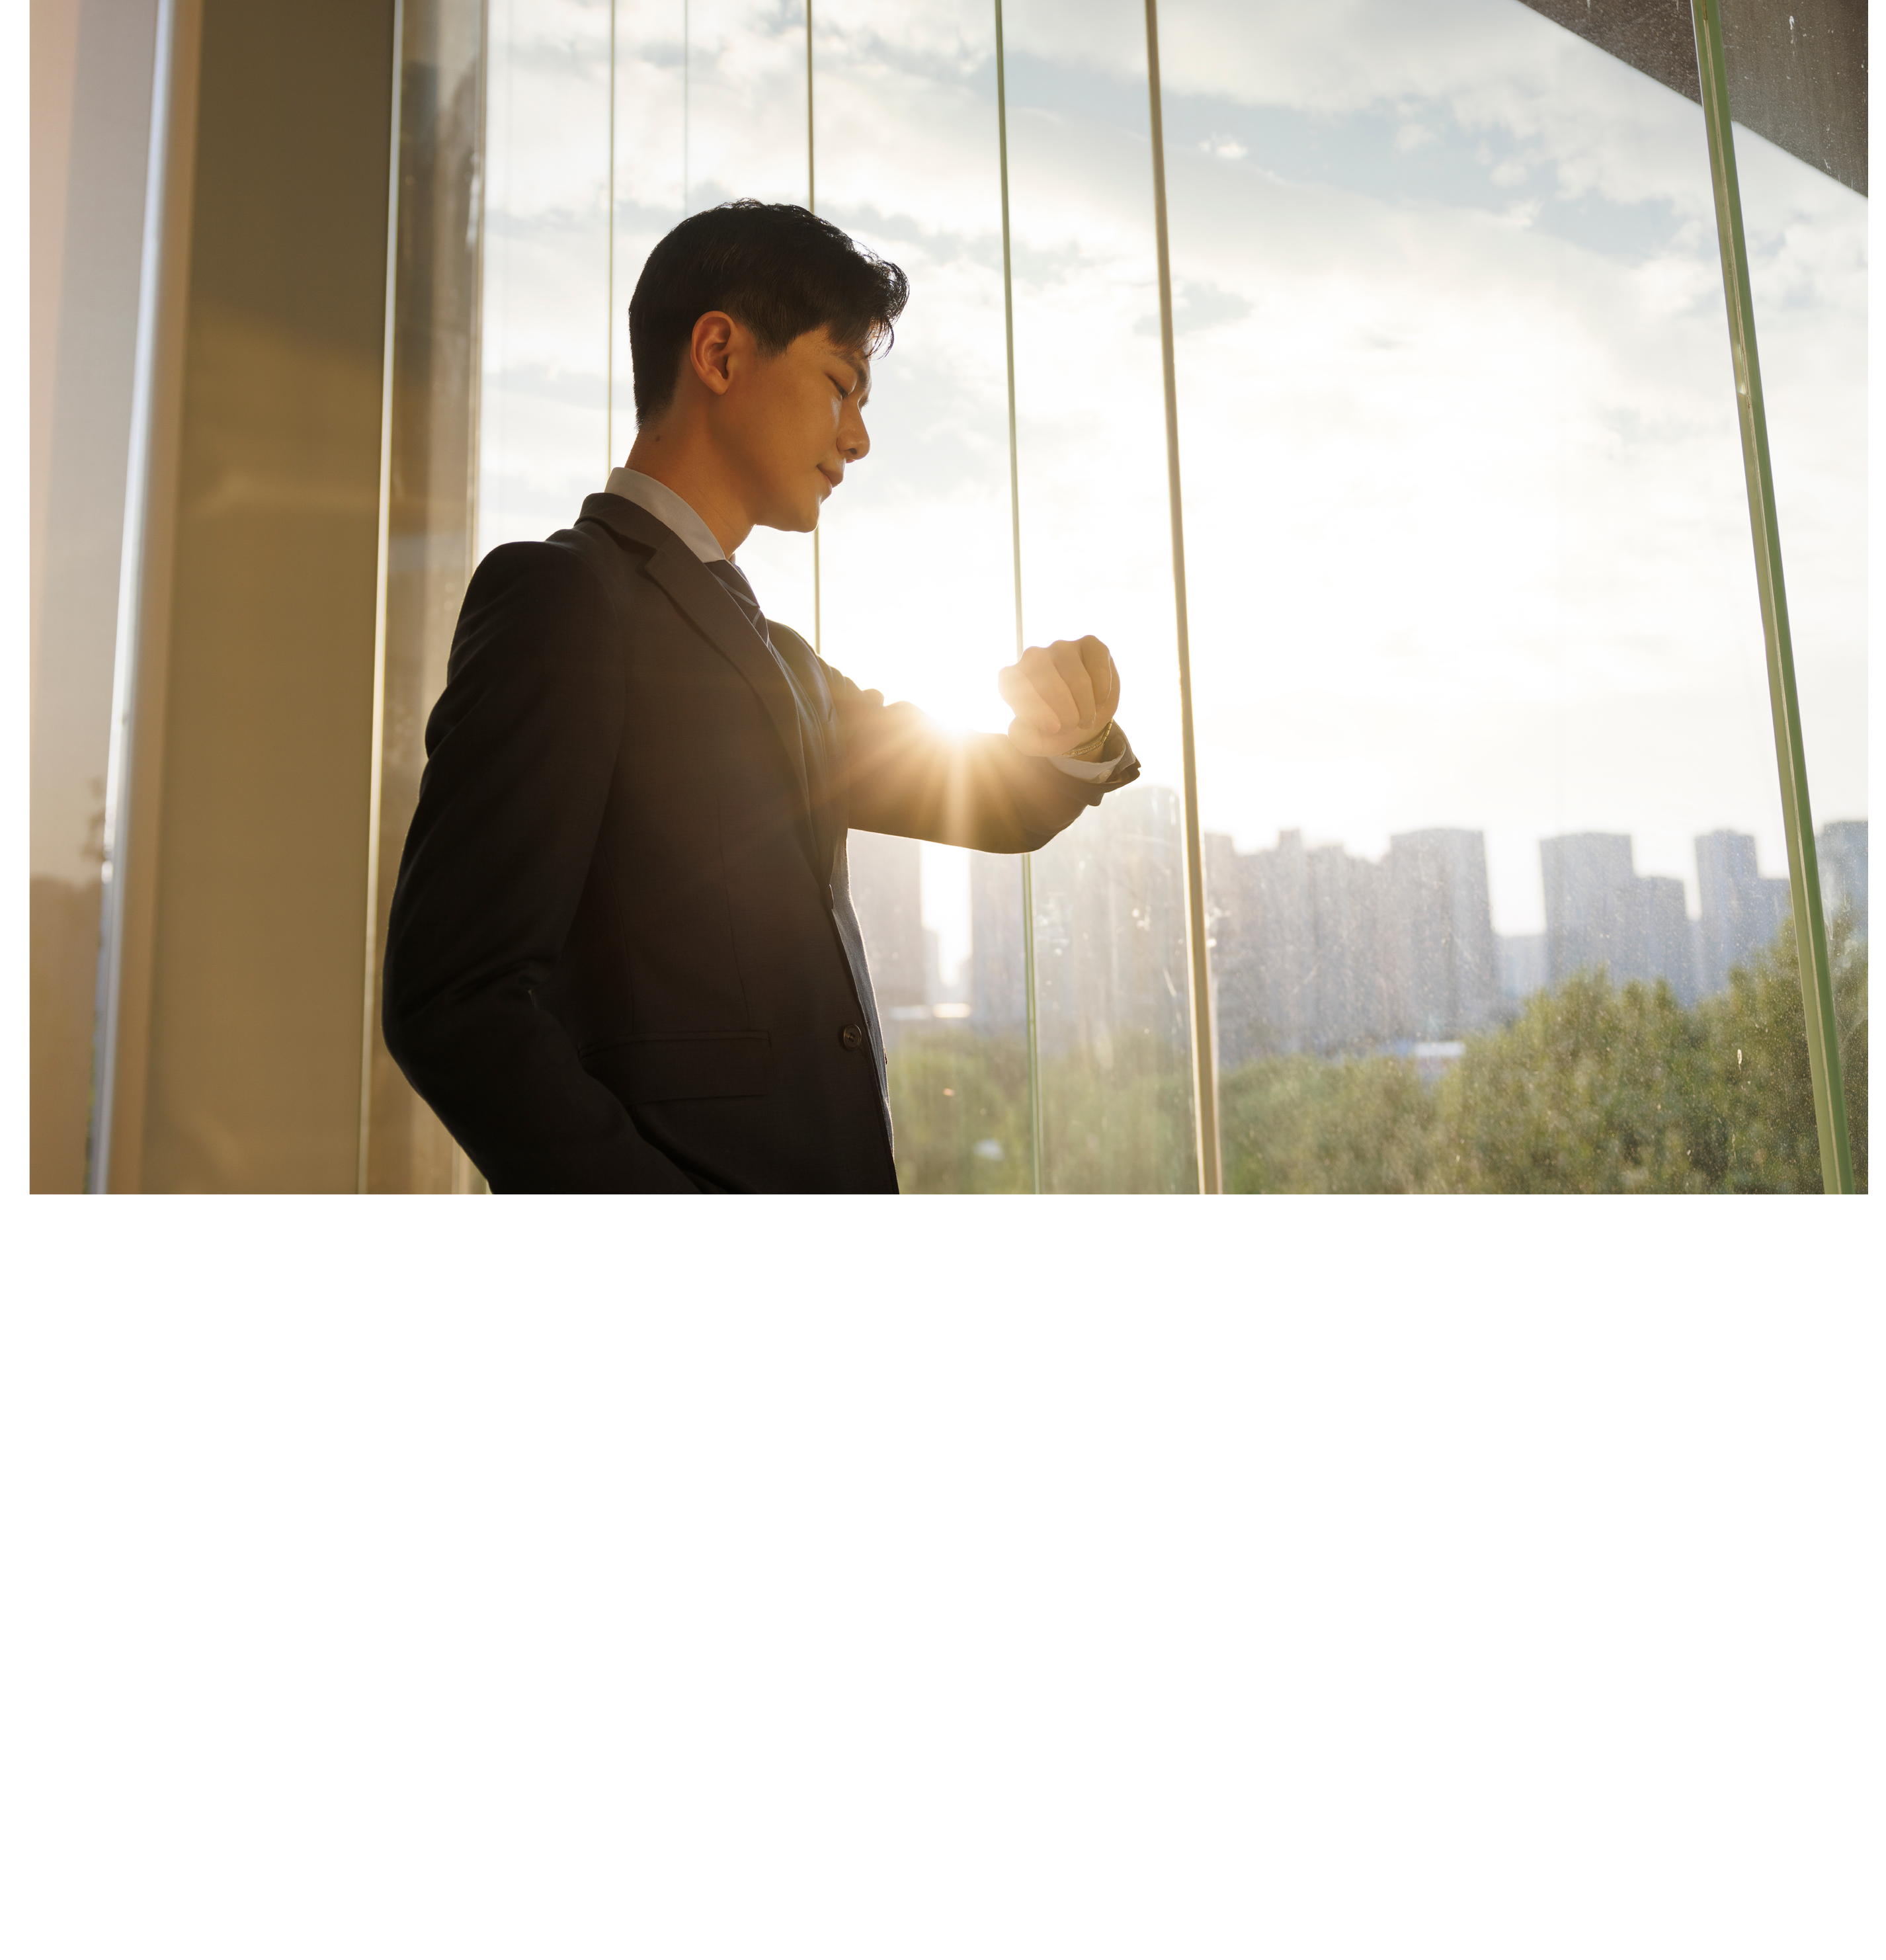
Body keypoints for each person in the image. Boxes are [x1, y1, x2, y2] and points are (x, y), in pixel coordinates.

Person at [382, 200, 1139, 1192]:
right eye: (840, 384)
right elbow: (454, 999)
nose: (858, 438)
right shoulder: (564, 598)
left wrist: (1072, 728)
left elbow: (989, 797)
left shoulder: (782, 660)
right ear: (720, 353)